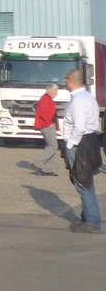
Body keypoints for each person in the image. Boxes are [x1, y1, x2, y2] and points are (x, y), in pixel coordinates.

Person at [61, 69, 101, 232]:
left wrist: (70, 144)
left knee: (82, 182)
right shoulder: (87, 97)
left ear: (69, 80)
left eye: (65, 80)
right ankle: (87, 218)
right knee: (83, 180)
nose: (64, 83)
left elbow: (79, 127)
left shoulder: (78, 100)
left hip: (80, 143)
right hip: (87, 141)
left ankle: (92, 220)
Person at [31, 83, 60, 176]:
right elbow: (43, 114)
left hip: (48, 125)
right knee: (53, 146)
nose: (57, 93)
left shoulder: (47, 98)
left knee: (51, 146)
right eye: (56, 91)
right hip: (47, 126)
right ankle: (37, 164)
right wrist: (49, 124)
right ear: (50, 90)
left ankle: (47, 169)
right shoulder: (45, 99)